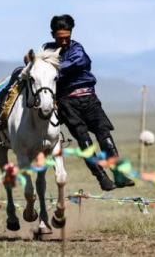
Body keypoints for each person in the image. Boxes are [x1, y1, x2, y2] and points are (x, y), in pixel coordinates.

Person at [42, 14, 134, 191]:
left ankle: (119, 174)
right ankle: (102, 178)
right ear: (53, 34)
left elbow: (75, 63)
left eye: (67, 38)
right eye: (60, 38)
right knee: (83, 140)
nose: (63, 42)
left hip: (88, 99)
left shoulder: (77, 49)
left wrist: (50, 67)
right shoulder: (46, 49)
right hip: (66, 103)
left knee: (104, 134)